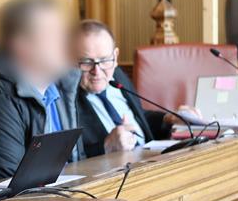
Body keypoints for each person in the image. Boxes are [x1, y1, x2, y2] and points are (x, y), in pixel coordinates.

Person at [0, 0, 83, 180]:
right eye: (53, 34)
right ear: (22, 45)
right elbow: (11, 188)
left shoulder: (63, 85)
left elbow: (78, 164)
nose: (67, 42)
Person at [74, 19, 202, 157]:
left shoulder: (117, 75)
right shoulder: (65, 100)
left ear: (115, 56)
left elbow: (140, 118)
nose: (97, 71)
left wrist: (169, 118)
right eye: (87, 62)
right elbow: (69, 157)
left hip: (152, 160)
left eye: (104, 60)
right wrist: (106, 146)